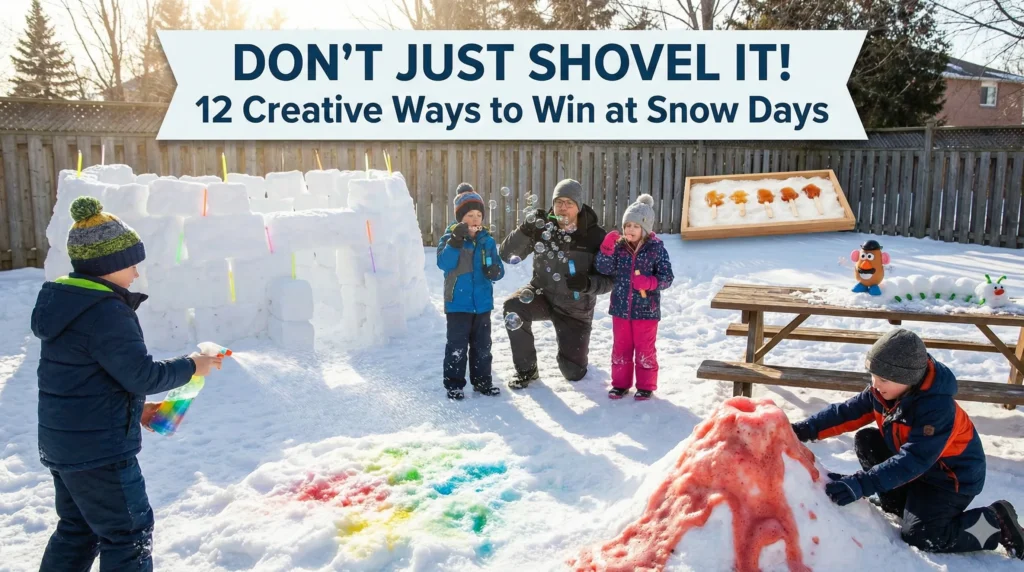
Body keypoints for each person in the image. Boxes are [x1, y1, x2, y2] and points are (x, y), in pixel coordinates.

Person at [32, 196, 224, 571]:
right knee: (128, 534)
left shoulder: (67, 304)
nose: (136, 273)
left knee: (78, 528)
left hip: (65, 443)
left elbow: (86, 380)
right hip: (100, 452)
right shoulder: (106, 313)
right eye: (131, 263)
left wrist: (135, 409)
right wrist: (193, 365)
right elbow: (142, 374)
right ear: (109, 265)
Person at [791, 328, 1024, 559]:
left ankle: (996, 522)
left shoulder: (936, 409)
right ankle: (899, 505)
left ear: (908, 378)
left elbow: (915, 460)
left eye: (883, 379)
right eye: (872, 375)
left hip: (949, 480)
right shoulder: (883, 392)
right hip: (917, 469)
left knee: (921, 535)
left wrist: (863, 483)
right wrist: (801, 430)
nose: (874, 384)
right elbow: (846, 413)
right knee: (867, 439)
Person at [499, 179, 614, 388]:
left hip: (575, 310)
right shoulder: (543, 227)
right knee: (513, 307)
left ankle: (574, 356)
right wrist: (525, 228)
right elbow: (507, 254)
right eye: (559, 201)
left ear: (578, 207)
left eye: (569, 202)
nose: (563, 207)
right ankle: (527, 371)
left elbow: (610, 280)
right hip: (541, 295)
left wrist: (588, 283)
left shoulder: (595, 236)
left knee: (573, 373)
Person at [594, 194, 674, 400]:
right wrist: (606, 249)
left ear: (645, 229)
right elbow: (603, 268)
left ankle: (646, 386)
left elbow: (667, 277)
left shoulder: (656, 249)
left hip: (647, 310)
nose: (630, 230)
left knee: (644, 349)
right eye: (627, 225)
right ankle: (620, 384)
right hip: (620, 308)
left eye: (635, 226)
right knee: (620, 348)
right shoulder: (619, 248)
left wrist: (649, 282)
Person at [436, 183, 504, 400]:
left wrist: (495, 270)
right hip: (458, 303)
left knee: (482, 347)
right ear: (459, 218)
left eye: (478, 215)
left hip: (482, 303)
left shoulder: (487, 241)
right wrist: (456, 241)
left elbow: (499, 270)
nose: (475, 219)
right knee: (457, 347)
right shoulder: (450, 239)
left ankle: (483, 382)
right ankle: (454, 384)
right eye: (469, 215)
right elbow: (444, 264)